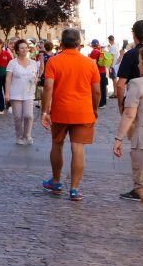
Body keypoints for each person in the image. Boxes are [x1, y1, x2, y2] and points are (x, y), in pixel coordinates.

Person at [41, 29, 100, 201]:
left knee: (57, 144)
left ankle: (57, 181)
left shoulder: (54, 61)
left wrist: (45, 111)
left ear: (62, 42)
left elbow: (48, 87)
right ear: (78, 43)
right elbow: (96, 91)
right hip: (83, 111)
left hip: (60, 111)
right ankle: (74, 189)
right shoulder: (90, 63)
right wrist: (94, 108)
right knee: (78, 149)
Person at [112, 45, 143, 243]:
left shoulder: (138, 84)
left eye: (140, 62)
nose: (138, 66)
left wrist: (119, 138)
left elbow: (129, 113)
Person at [116, 20, 143, 201]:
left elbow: (121, 84)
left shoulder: (131, 54)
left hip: (136, 104)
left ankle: (140, 187)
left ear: (134, 34)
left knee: (138, 147)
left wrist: (121, 107)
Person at [5, 39, 39, 145]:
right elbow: (8, 79)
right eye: (22, 48)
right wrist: (7, 93)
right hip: (16, 93)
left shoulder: (33, 63)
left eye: (26, 47)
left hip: (29, 93)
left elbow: (35, 76)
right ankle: (19, 136)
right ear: (17, 50)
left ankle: (27, 135)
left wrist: (36, 79)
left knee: (29, 116)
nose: (24, 50)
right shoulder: (12, 63)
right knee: (18, 117)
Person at [88, 39, 110, 108]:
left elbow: (93, 63)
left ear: (92, 45)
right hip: (103, 72)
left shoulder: (94, 52)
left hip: (98, 72)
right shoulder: (100, 50)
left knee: (98, 88)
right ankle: (103, 103)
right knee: (103, 88)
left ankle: (100, 103)